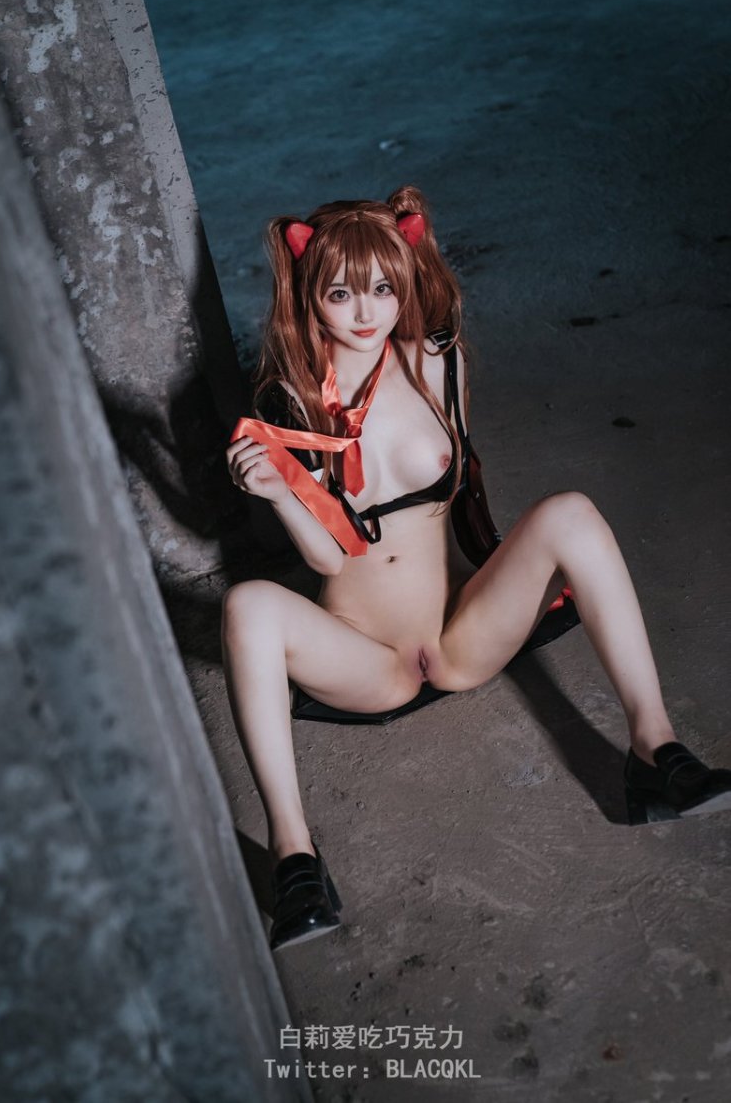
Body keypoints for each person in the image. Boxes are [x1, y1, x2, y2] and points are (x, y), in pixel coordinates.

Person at [224, 185, 731, 952]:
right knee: (248, 605)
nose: (365, 313)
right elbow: (330, 554)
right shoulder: (292, 398)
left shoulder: (439, 363)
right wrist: (277, 493)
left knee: (571, 511)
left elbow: (458, 482)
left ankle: (655, 751)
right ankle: (296, 858)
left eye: (383, 288)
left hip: (457, 638)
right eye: (340, 293)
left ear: (405, 280)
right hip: (366, 660)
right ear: (310, 293)